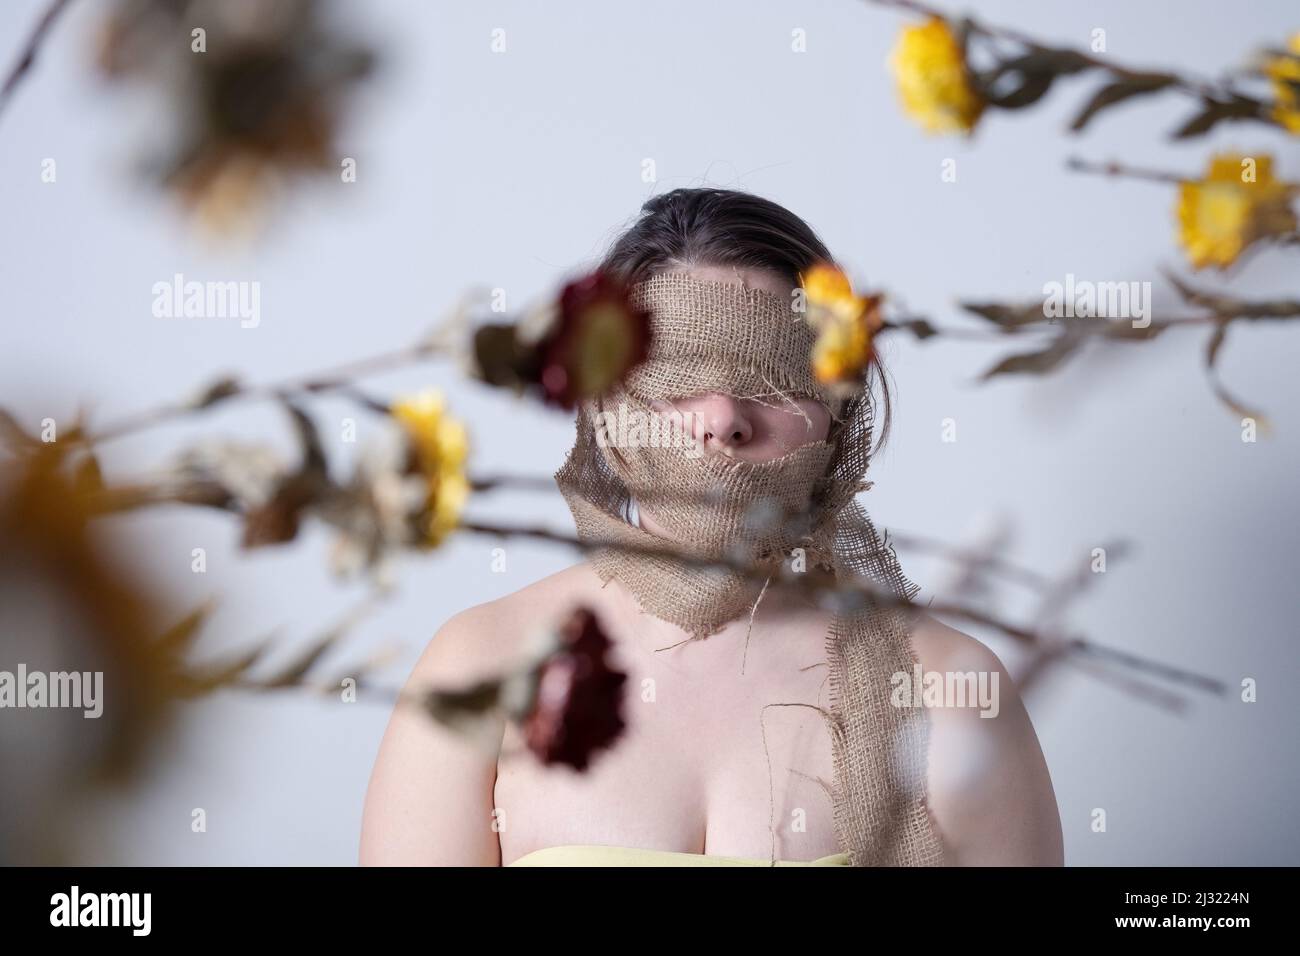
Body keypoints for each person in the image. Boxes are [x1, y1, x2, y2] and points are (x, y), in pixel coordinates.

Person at [359, 188, 1064, 866]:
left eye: (774, 380)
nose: (723, 419)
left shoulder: (943, 686)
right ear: (605, 407)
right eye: (677, 378)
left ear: (837, 409)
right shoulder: (483, 667)